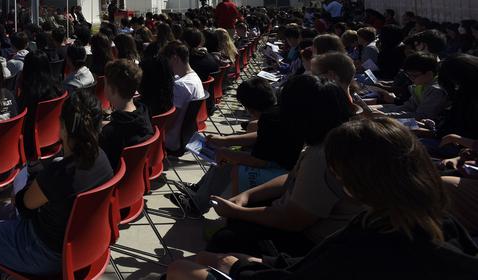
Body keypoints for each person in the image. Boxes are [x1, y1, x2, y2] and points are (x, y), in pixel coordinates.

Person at [170, 117, 478, 280]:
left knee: (182, 268)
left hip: (294, 257)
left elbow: (302, 239)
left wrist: (239, 267)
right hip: (298, 260)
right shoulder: (439, 224)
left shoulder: (373, 242)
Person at [0, 91, 113, 279]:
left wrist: (28, 189)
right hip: (87, 246)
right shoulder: (103, 160)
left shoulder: (58, 174)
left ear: (63, 127)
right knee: (5, 214)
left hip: (46, 253)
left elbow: (24, 204)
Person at [206, 74, 359, 257]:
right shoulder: (333, 140)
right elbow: (292, 177)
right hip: (307, 223)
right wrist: (248, 195)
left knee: (225, 239)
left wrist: (238, 212)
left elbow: (293, 220)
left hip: (313, 244)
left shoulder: (322, 157)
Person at [173, 77, 303, 214]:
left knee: (228, 162)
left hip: (281, 170)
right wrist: (226, 141)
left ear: (249, 107)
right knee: (228, 152)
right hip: (284, 163)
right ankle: (200, 189)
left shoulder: (270, 119)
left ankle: (197, 205)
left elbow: (259, 161)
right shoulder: (279, 113)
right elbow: (262, 137)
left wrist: (226, 153)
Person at [99, 60, 153, 170]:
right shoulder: (145, 113)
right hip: (136, 177)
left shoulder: (109, 134)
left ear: (113, 89)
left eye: (105, 84)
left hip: (116, 181)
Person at [161, 41, 207, 154]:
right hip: (188, 136)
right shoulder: (195, 78)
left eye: (167, 60)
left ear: (175, 58)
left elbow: (171, 120)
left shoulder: (181, 85)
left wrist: (155, 134)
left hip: (172, 141)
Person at [377, 52, 448, 123]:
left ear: (429, 73)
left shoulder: (436, 91)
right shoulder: (419, 85)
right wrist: (379, 111)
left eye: (414, 75)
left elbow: (421, 116)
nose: (410, 78)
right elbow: (408, 107)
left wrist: (385, 116)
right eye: (408, 75)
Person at [17, 50, 62, 120]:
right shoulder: (56, 86)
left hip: (30, 127)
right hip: (51, 124)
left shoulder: (29, 92)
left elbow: (19, 112)